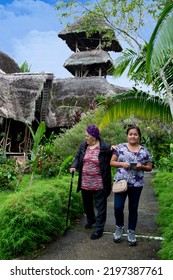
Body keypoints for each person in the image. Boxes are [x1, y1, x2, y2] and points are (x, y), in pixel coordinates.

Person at [110, 125, 152, 246]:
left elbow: (149, 167)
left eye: (135, 134)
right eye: (130, 134)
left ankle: (131, 231)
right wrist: (122, 164)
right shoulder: (120, 147)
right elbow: (111, 162)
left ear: (139, 136)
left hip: (137, 184)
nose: (133, 136)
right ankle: (119, 227)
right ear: (127, 136)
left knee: (133, 208)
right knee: (118, 207)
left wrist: (142, 167)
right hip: (121, 182)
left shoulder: (144, 150)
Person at [70, 125, 113, 240]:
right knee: (87, 205)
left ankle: (99, 229)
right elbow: (77, 157)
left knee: (100, 207)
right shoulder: (84, 146)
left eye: (87, 136)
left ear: (94, 137)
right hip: (85, 183)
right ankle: (91, 220)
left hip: (99, 183)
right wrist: (74, 166)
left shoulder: (105, 147)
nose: (86, 138)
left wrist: (115, 149)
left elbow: (115, 157)